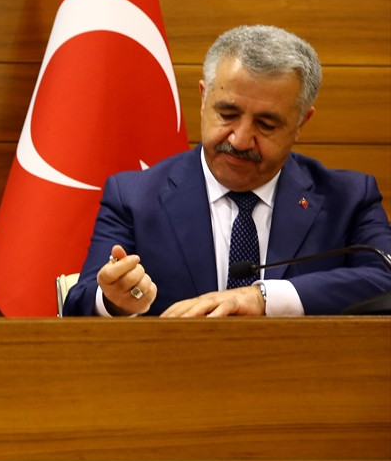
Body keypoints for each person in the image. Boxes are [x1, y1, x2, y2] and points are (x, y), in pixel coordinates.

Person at [63, 25, 391, 317]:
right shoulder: (134, 197)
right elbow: (80, 302)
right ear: (204, 98)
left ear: (301, 122)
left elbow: (385, 278)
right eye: (228, 114)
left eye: (266, 124)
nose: (240, 139)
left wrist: (262, 297)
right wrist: (116, 301)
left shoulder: (348, 199)